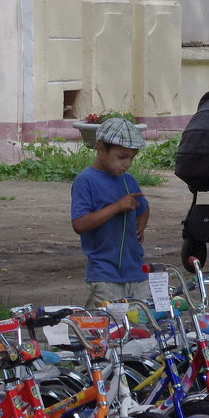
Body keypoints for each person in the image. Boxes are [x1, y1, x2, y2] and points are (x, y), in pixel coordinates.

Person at [71, 116, 150, 309]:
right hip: (105, 275)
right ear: (101, 149)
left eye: (132, 158)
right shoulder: (86, 181)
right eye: (122, 157)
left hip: (136, 273)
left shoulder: (129, 180)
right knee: (109, 331)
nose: (127, 164)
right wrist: (117, 207)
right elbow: (79, 224)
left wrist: (140, 227)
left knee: (142, 330)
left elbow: (144, 208)